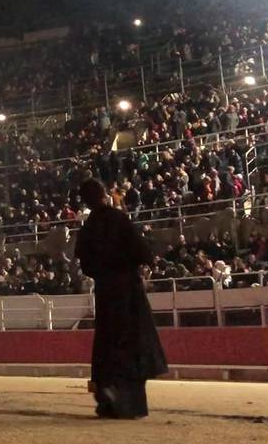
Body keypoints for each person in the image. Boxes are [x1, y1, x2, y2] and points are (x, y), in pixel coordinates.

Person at [74, 179, 167, 419]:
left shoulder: (87, 229)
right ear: (105, 194)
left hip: (105, 292)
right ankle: (129, 403)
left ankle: (107, 398)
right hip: (128, 290)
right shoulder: (119, 219)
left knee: (107, 342)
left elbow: (87, 267)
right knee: (132, 342)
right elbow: (143, 253)